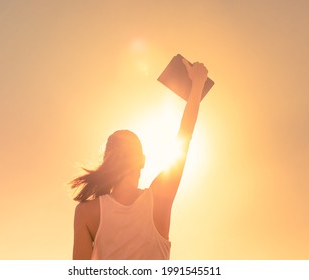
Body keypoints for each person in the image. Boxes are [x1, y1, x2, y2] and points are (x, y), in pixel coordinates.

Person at [71, 59, 208, 260]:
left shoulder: (86, 213)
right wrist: (198, 83)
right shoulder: (158, 199)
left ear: (107, 162)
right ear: (142, 161)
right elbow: (184, 137)